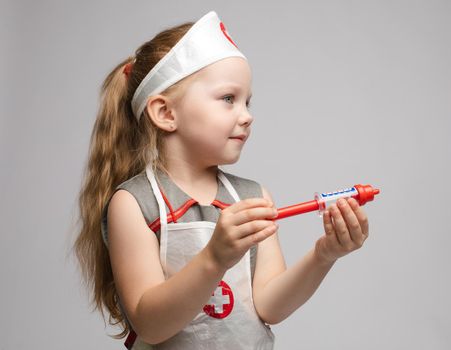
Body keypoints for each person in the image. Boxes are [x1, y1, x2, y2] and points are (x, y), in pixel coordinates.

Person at [74, 10, 370, 350]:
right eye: (229, 99)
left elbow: (269, 306)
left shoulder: (252, 195)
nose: (247, 116)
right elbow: (151, 325)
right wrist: (215, 257)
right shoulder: (134, 203)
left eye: (247, 101)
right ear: (165, 113)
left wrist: (324, 255)